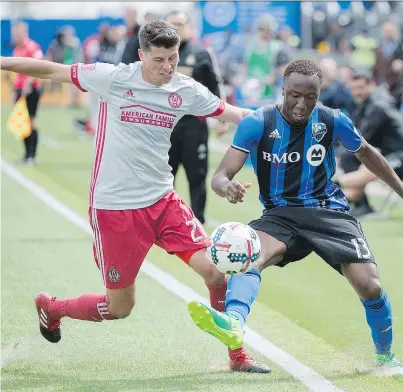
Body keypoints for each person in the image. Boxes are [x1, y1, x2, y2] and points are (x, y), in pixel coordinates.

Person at [0, 20, 269, 374]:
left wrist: (285, 125)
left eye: (172, 58)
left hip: (162, 201)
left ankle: (237, 357)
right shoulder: (113, 77)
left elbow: (237, 115)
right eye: (159, 59)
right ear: (141, 54)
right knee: (120, 308)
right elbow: (52, 70)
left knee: (217, 275)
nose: (167, 67)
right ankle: (53, 308)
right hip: (115, 210)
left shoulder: (185, 88)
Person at [187, 59, 403, 376]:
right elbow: (220, 175)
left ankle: (385, 357)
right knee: (248, 257)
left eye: (310, 97)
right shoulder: (258, 122)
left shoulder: (332, 120)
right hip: (280, 215)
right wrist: (226, 187)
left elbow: (368, 153)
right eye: (294, 95)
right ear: (283, 89)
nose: (301, 104)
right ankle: (233, 323)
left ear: (320, 93)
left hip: (329, 211)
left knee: (370, 286)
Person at [166, 10, 228, 224]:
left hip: (194, 124)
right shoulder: (159, 53)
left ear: (189, 27)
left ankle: (198, 221)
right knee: (165, 176)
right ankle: (167, 220)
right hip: (166, 126)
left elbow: (215, 85)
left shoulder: (201, 52)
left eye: (180, 24)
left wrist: (222, 119)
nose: (176, 29)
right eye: (171, 24)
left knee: (197, 176)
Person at [341, 72, 403, 217]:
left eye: (361, 87)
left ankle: (331, 188)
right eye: (354, 88)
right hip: (388, 154)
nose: (357, 92)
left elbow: (361, 138)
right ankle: (353, 202)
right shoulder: (364, 106)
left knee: (350, 158)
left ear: (371, 86)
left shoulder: (378, 106)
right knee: (351, 159)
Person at [11, 21, 44, 165]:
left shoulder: (32, 47)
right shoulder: (17, 50)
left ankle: (32, 155)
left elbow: (38, 66)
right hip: (20, 89)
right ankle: (26, 154)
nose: (15, 37)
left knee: (31, 120)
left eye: (17, 34)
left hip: (31, 89)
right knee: (21, 121)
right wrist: (15, 89)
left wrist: (28, 83)